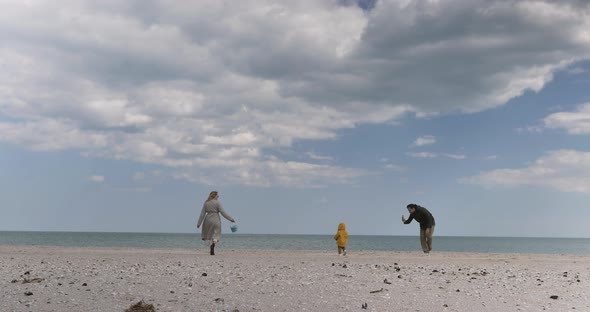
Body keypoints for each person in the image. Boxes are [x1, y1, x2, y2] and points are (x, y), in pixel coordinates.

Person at [197, 191, 235, 255]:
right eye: (217, 195)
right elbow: (223, 213)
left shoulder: (206, 203)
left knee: (209, 234)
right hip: (216, 220)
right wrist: (231, 219)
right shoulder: (217, 203)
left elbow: (202, 214)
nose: (218, 196)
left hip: (207, 220)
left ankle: (210, 246)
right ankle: (213, 244)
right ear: (214, 195)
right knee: (216, 234)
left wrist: (199, 223)